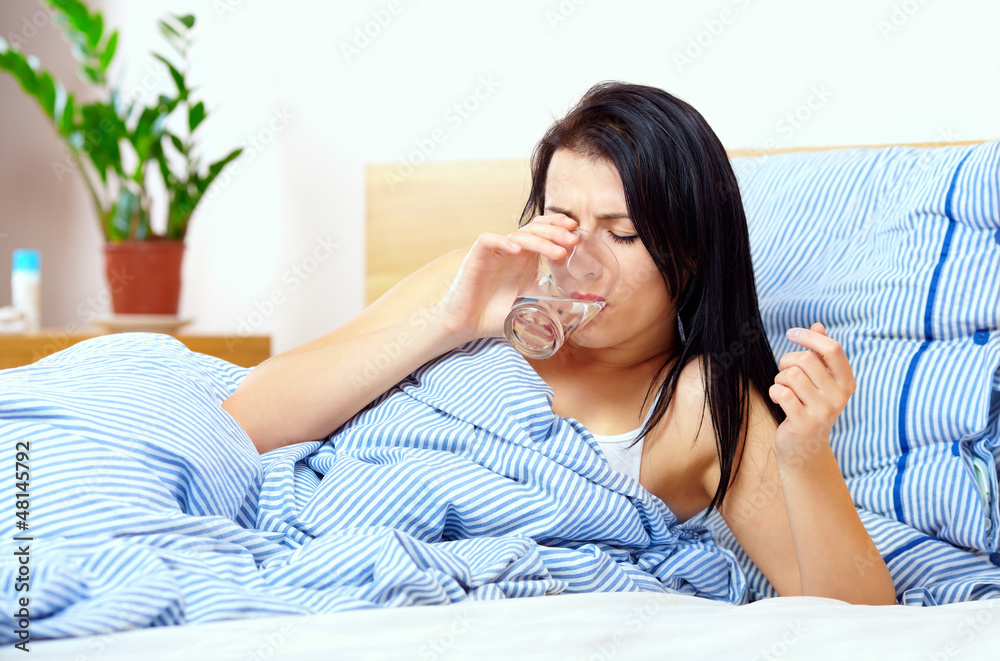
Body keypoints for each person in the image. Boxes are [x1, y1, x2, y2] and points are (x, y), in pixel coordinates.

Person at [222, 81, 897, 605]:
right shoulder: (474, 282)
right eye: (562, 220)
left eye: (623, 234)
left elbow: (857, 619)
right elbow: (245, 422)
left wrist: (804, 456)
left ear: (691, 254)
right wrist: (448, 323)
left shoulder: (696, 404)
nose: (580, 259)